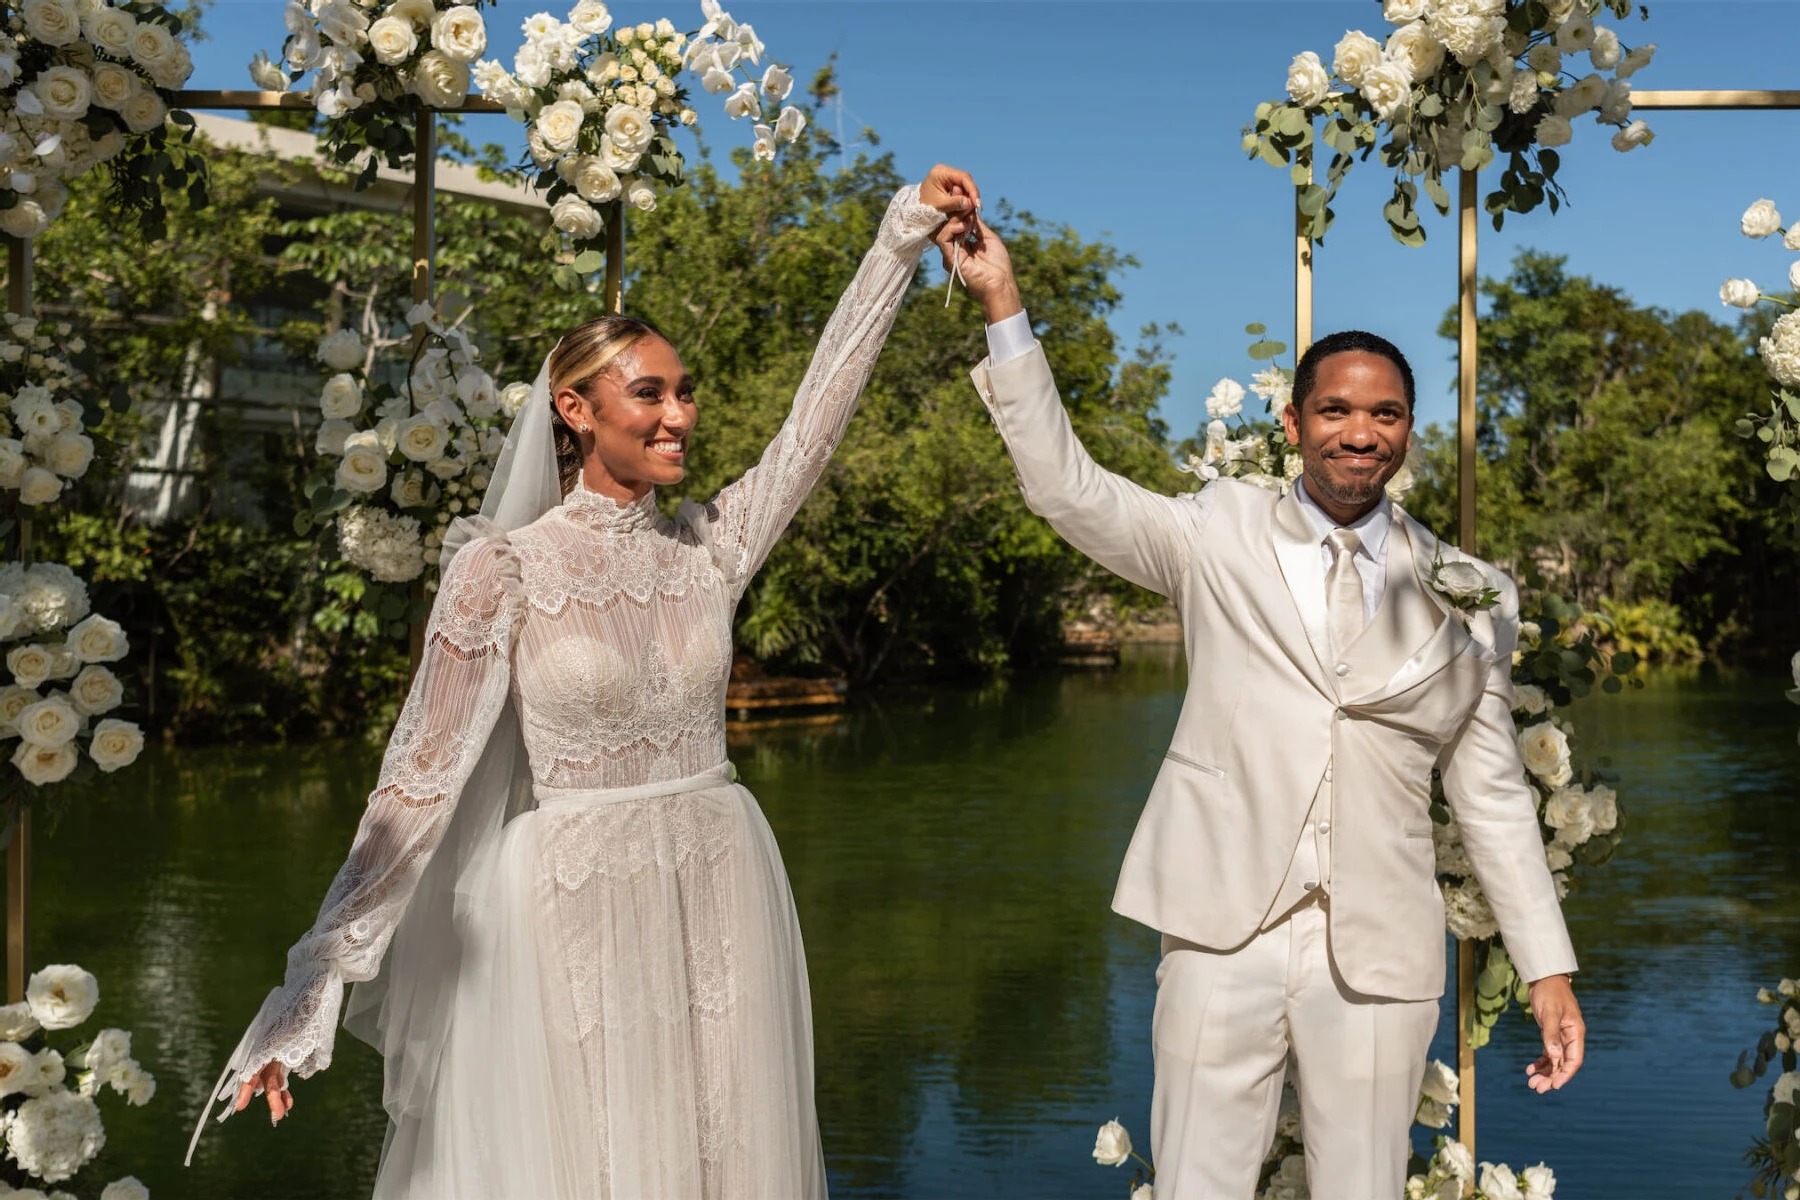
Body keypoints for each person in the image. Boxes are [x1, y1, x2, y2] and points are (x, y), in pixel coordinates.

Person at [186, 167, 979, 1199]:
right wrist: (315, 978)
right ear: (576, 408)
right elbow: (416, 784)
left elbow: (814, 425)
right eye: (650, 392)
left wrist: (896, 243)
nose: (679, 414)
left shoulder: (711, 548)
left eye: (684, 391)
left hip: (717, 879)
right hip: (567, 906)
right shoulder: (500, 569)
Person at [935, 213, 1585, 1199]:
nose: (1360, 434)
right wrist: (1002, 307)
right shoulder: (1215, 532)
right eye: (1334, 412)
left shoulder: (1473, 591)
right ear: (1294, 423)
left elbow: (1492, 795)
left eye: (1386, 416)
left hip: (1380, 952)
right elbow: (1066, 491)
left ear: (1410, 428)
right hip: (1219, 927)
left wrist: (1547, 968)